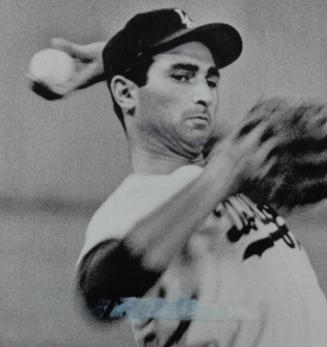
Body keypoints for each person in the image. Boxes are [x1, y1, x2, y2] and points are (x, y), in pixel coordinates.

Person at [31, 8, 327, 347]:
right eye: (182, 76)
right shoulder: (138, 202)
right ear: (126, 93)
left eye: (211, 79)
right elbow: (101, 295)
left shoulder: (237, 164)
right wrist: (221, 177)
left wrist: (116, 60)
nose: (204, 95)